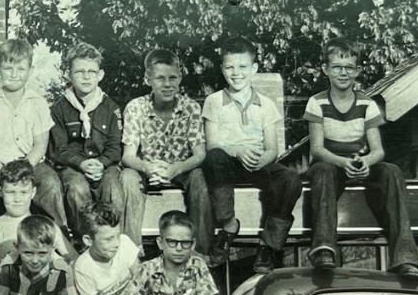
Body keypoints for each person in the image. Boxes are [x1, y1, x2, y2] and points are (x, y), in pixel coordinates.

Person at [303, 40, 418, 275]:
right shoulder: (317, 102)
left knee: (392, 171)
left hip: (357, 160)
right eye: (336, 67)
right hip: (329, 162)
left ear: (356, 71)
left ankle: (404, 256)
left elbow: (378, 150)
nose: (343, 73)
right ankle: (324, 248)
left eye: (349, 67)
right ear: (326, 69)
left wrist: (366, 162)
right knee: (323, 171)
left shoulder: (367, 104)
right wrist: (342, 162)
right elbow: (317, 149)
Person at [201, 37, 303, 274]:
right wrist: (237, 151)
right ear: (222, 68)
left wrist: (261, 160)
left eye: (243, 67)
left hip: (257, 163)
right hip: (228, 162)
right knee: (215, 157)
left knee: (290, 180)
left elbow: (272, 149)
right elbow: (212, 145)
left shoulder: (265, 104)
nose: (236, 73)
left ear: (254, 69)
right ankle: (228, 226)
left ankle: (268, 245)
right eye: (230, 67)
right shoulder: (213, 101)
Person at [0, 39, 64, 228]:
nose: (14, 74)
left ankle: (57, 236)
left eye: (21, 69)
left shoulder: (38, 102)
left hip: (30, 163)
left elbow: (40, 145)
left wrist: (25, 167)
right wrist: (0, 169)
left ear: (30, 71)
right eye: (8, 68)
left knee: (50, 183)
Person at [119, 49, 209, 254]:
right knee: (127, 177)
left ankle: (200, 251)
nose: (167, 84)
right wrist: (146, 167)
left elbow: (200, 153)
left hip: (181, 168)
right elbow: (128, 156)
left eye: (172, 78)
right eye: (160, 78)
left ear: (180, 78)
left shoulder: (191, 108)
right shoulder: (135, 107)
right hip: (147, 169)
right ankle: (131, 249)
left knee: (199, 178)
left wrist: (177, 169)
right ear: (147, 79)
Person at [48, 43, 125, 242]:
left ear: (100, 75)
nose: (86, 76)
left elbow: (115, 147)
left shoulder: (111, 108)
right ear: (69, 75)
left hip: (104, 166)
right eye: (80, 71)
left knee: (113, 189)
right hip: (72, 167)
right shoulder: (59, 108)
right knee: (77, 189)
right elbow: (59, 149)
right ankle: (83, 241)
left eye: (92, 71)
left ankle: (113, 239)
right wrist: (81, 164)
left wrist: (101, 163)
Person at [0, 159, 75, 267]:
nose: (17, 199)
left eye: (24, 192)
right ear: (0, 192)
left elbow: (74, 260)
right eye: (11, 192)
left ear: (33, 192)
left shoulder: (46, 225)